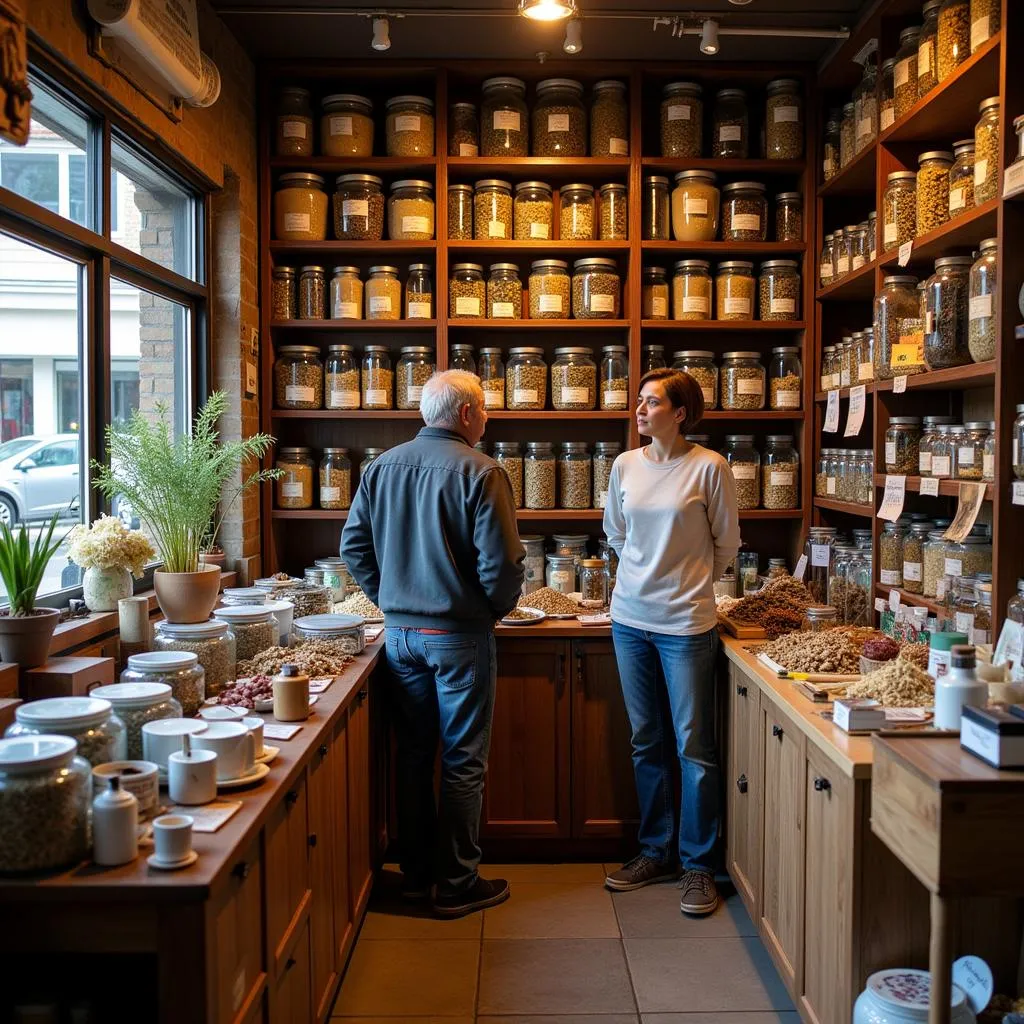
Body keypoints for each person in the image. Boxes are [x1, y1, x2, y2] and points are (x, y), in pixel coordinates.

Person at [341, 369, 525, 918]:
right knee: (463, 762)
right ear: (466, 414)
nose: (487, 419)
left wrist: (391, 600)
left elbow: (353, 546)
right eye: (485, 410)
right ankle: (458, 882)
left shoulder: (381, 466)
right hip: (459, 638)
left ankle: (418, 876)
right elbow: (504, 566)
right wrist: (488, 611)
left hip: (399, 639)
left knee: (415, 757)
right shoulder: (483, 471)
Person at [602, 367, 740, 916]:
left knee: (693, 748)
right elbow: (615, 533)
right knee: (646, 739)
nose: (639, 410)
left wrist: (687, 582)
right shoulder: (625, 465)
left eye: (651, 402)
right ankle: (655, 850)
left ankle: (698, 865)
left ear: (679, 413)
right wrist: (641, 579)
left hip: (686, 624)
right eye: (638, 401)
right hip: (629, 619)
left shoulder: (709, 468)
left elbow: (727, 544)